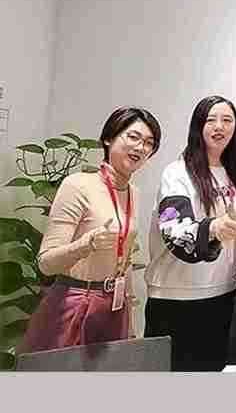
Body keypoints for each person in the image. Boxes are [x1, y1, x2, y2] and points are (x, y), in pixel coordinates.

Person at [19, 107, 161, 352]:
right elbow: (46, 263)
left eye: (149, 143)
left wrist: (129, 320)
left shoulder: (133, 193)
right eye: (133, 137)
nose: (141, 147)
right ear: (108, 138)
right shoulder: (78, 185)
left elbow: (124, 260)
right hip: (74, 303)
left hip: (114, 307)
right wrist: (85, 245)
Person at [144, 96, 236, 371]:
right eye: (211, 119)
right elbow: (173, 228)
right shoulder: (177, 173)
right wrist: (213, 227)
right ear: (198, 126)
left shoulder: (235, 174)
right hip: (177, 298)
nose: (219, 126)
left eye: (227, 120)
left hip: (224, 293)